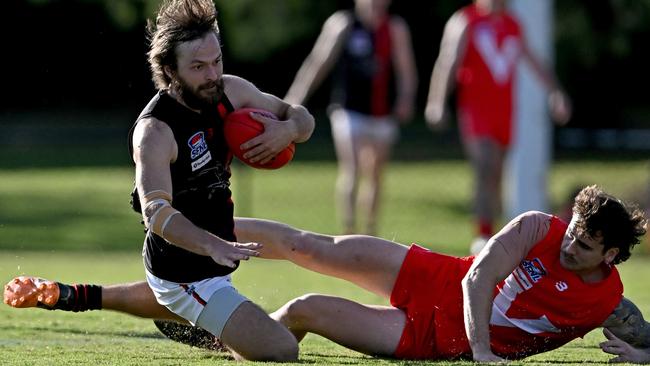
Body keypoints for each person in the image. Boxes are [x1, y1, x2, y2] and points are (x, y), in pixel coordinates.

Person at [6, 186, 649, 362]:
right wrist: (485, 352)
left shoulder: (608, 300)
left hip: (430, 335)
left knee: (307, 308)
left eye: (585, 246)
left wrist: (643, 354)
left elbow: (641, 331)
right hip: (437, 279)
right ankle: (177, 217)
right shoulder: (539, 227)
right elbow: (479, 275)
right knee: (306, 243)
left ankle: (220, 338)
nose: (570, 245)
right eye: (572, 231)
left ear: (610, 257)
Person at [8, 0, 314, 362]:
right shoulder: (154, 131)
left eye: (216, 61)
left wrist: (290, 128)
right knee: (282, 348)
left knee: (301, 244)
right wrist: (209, 244)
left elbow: (300, 116)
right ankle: (211, 324)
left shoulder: (229, 91)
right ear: (170, 70)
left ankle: (80, 295)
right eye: (198, 67)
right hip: (184, 272)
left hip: (218, 245)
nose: (212, 74)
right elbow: (155, 212)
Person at [425, 0, 572, 253]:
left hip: (503, 113)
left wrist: (555, 92)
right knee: (485, 167)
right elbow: (448, 61)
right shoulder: (466, 20)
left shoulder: (512, 24)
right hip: (475, 111)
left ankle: (492, 235)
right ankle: (481, 236)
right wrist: (436, 101)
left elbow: (534, 60)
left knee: (497, 174)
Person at [285, 0, 417, 235]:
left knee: (375, 173)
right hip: (348, 111)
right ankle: (348, 230)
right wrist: (294, 99)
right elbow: (318, 63)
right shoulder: (343, 24)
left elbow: (406, 68)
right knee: (352, 168)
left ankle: (370, 232)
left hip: (382, 114)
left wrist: (406, 99)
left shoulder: (395, 28)